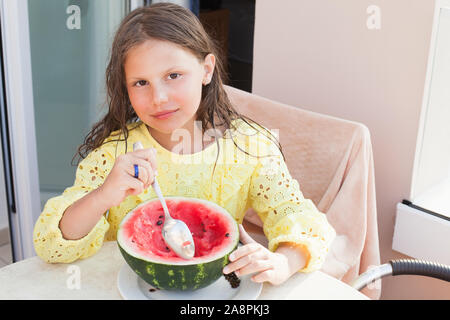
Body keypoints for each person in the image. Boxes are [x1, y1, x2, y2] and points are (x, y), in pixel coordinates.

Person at [33, 3, 335, 286]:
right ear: (124, 87)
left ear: (206, 70)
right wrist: (103, 196)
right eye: (141, 83)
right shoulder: (115, 154)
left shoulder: (250, 147)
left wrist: (283, 262)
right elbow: (51, 243)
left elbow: (300, 218)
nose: (159, 98)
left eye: (173, 75)